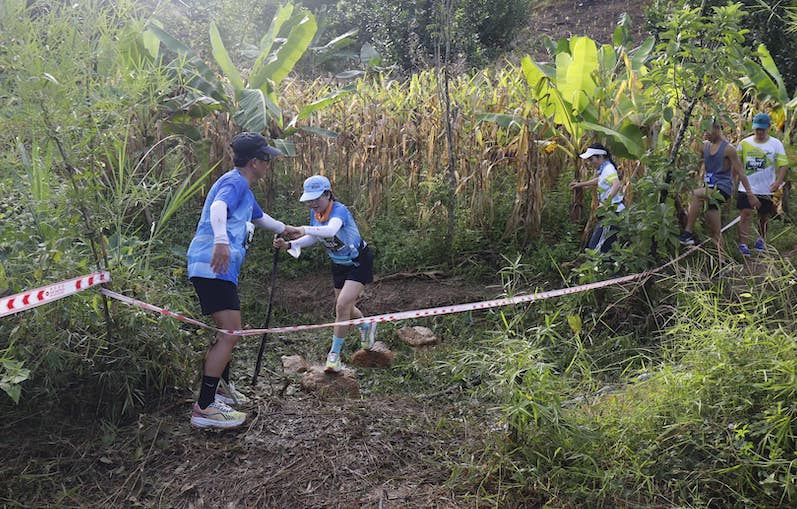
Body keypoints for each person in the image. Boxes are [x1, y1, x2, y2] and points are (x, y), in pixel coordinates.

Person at [187, 132, 299, 429]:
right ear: (254, 162)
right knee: (231, 332)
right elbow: (217, 208)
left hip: (219, 270)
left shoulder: (245, 192)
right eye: (266, 160)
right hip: (212, 266)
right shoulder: (234, 182)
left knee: (229, 331)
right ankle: (206, 407)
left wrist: (290, 229)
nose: (268, 164)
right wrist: (221, 240)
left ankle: (220, 390)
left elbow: (264, 220)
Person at [274, 175, 375, 373]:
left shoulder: (339, 210)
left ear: (328, 194)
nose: (312, 203)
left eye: (316, 198)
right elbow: (313, 237)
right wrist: (290, 245)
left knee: (342, 305)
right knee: (345, 308)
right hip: (338, 264)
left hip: (358, 261)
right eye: (309, 200)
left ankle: (334, 356)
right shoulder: (316, 214)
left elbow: (329, 231)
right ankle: (366, 325)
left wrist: (299, 229)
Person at [679, 119, 759, 258]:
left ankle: (687, 232)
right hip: (709, 189)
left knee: (697, 194)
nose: (705, 134)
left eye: (708, 131)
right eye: (703, 131)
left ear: (716, 129)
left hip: (723, 188)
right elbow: (695, 167)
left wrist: (750, 194)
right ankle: (722, 262)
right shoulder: (704, 146)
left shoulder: (729, 149)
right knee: (715, 231)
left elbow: (741, 172)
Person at [736, 113, 789, 256]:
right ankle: (743, 244)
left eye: (762, 129)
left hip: (766, 188)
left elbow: (783, 165)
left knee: (764, 216)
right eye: (757, 129)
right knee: (745, 214)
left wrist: (778, 182)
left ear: (768, 128)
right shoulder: (744, 144)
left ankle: (761, 239)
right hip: (746, 187)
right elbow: (737, 165)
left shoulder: (775, 144)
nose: (759, 132)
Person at [570, 143, 625, 254]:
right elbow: (600, 180)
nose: (590, 163)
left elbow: (616, 184)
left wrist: (605, 202)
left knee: (595, 247)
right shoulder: (605, 169)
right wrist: (581, 184)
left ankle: (593, 268)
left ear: (601, 157)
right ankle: (608, 269)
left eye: (591, 159)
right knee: (607, 246)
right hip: (611, 212)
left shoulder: (608, 169)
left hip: (611, 213)